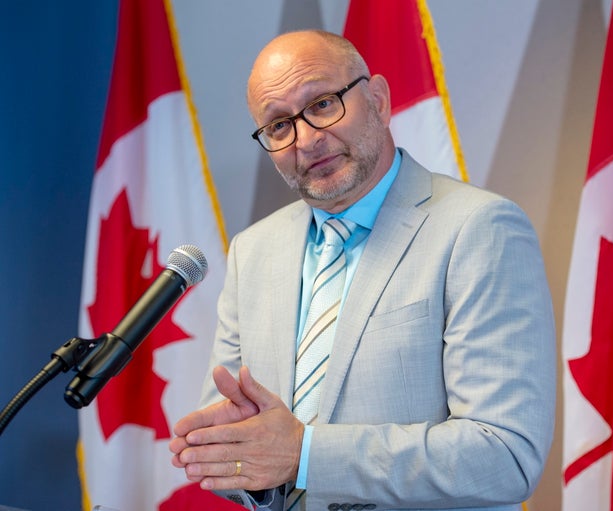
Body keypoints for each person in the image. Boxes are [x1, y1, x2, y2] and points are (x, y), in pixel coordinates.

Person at [169, 29, 556, 511]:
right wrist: (245, 462)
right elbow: (233, 448)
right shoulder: (253, 251)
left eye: (325, 104)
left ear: (378, 99)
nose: (306, 140)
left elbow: (506, 456)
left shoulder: (478, 229)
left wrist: (303, 453)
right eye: (278, 127)